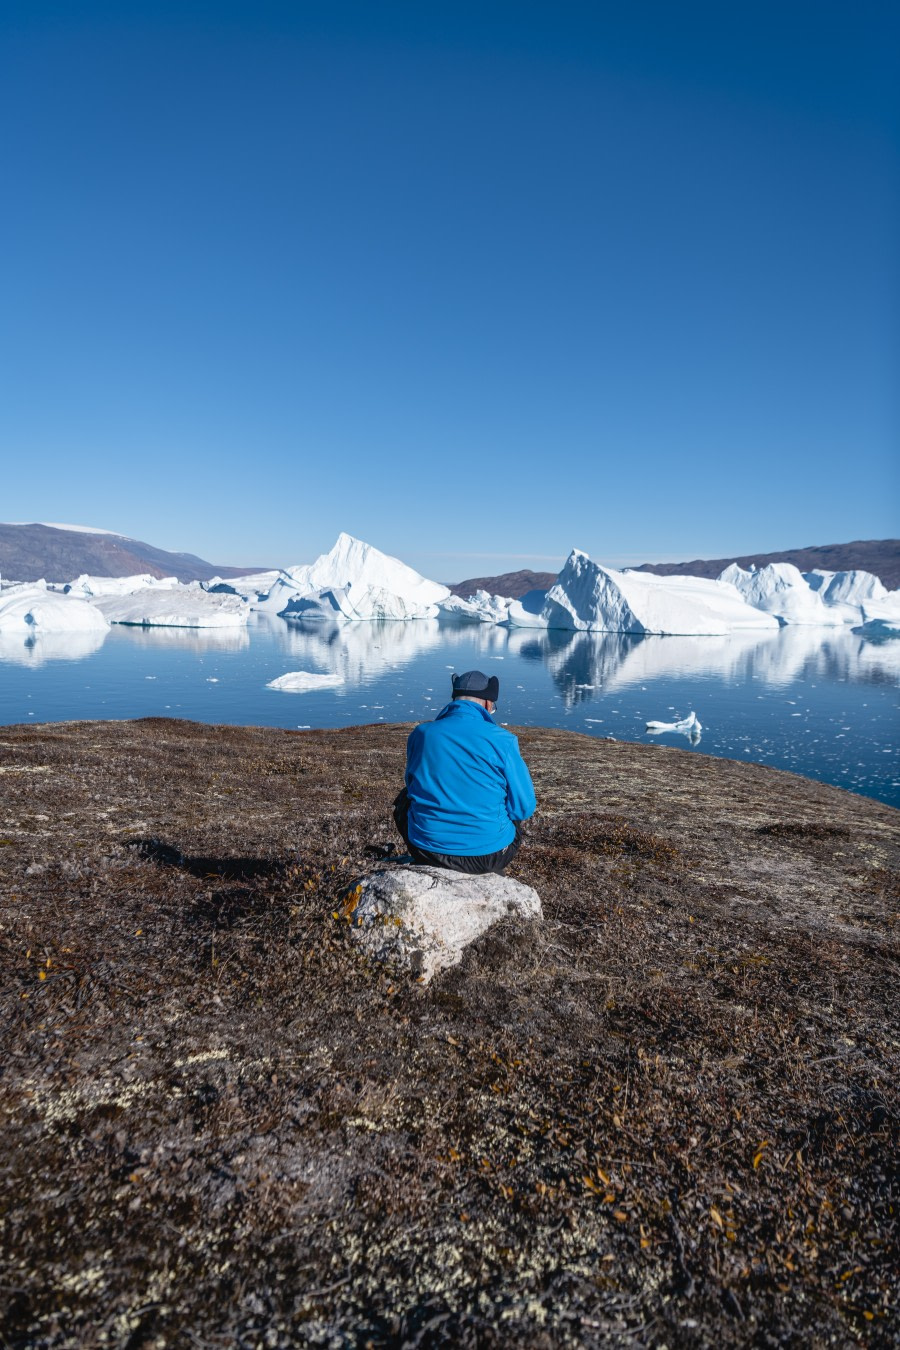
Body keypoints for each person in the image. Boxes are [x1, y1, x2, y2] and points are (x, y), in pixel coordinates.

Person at [393, 669, 536, 875]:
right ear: (487, 704)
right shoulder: (503, 740)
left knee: (404, 798)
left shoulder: (421, 734)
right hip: (488, 857)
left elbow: (412, 786)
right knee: (510, 804)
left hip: (426, 850)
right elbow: (524, 807)